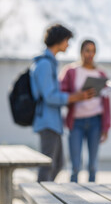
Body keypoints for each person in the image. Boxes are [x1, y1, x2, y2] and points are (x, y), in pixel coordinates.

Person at [30, 24, 95, 182]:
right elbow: (50, 97)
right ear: (59, 41)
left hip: (53, 122)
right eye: (67, 41)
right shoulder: (45, 64)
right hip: (47, 122)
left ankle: (44, 198)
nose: (68, 44)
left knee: (58, 163)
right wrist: (76, 97)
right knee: (47, 166)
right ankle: (40, 202)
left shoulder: (50, 63)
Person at [59, 39, 111, 182]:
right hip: (76, 122)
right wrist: (78, 96)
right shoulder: (70, 71)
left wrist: (106, 127)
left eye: (93, 51)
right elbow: (61, 94)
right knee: (75, 166)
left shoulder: (100, 74)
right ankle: (73, 199)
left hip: (95, 121)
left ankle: (92, 198)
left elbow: (106, 103)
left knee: (93, 165)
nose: (90, 54)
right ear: (81, 52)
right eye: (87, 50)